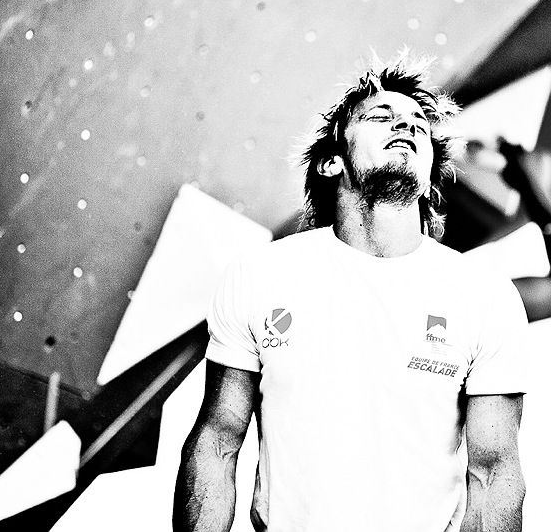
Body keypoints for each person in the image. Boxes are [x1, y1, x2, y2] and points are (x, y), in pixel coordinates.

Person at [173, 51, 529, 532]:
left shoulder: (483, 296)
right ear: (331, 162)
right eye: (381, 117)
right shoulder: (260, 275)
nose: (407, 126)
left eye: (419, 125)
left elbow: (494, 474)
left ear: (429, 177)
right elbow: (217, 442)